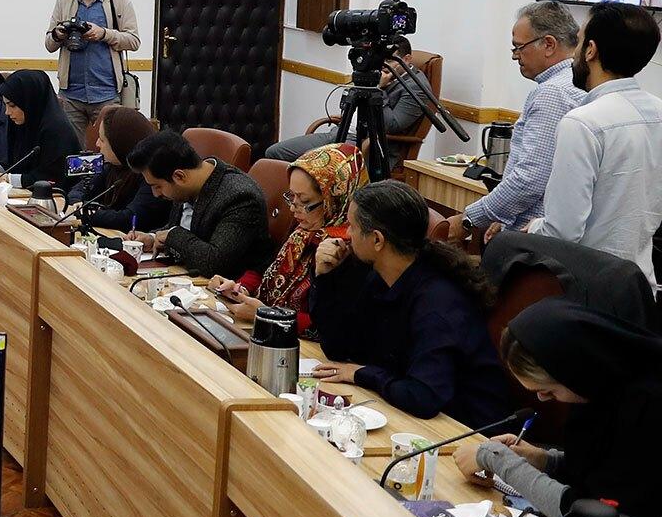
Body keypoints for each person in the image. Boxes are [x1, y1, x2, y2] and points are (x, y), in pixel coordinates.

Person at [453, 299, 662, 517]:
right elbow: (599, 469)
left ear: (575, 373)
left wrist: (496, 459)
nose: (542, 400)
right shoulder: (599, 389)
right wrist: (545, 460)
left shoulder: (648, 408)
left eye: (548, 391)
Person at [308, 181, 511, 422]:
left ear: (377, 240)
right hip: (408, 411)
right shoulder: (378, 274)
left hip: (462, 427)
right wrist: (326, 277)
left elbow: (424, 396)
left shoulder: (437, 304)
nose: (348, 235)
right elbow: (338, 348)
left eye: (352, 226)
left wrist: (362, 374)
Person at [532, 2, 662, 284]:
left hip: (586, 287)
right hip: (641, 287)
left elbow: (563, 232)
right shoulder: (659, 112)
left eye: (578, 42)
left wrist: (532, 228)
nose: (574, 54)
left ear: (590, 50)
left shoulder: (582, 123)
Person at [447, 2, 584, 241]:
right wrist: (504, 216)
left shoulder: (552, 93)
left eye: (519, 47)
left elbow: (530, 180)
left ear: (549, 44)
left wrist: (469, 220)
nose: (514, 56)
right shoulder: (577, 83)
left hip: (534, 240)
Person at [211, 143, 362, 332]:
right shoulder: (304, 230)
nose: (292, 208)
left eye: (304, 201)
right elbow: (265, 268)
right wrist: (239, 289)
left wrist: (267, 314)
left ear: (334, 199)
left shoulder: (348, 249)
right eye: (291, 196)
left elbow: (330, 325)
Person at [125, 131, 271, 278]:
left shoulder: (240, 197)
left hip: (225, 286)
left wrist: (172, 236)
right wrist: (153, 238)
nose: (156, 194)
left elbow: (214, 263)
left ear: (179, 176)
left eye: (157, 186)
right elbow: (182, 228)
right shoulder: (188, 186)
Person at [267, 37, 435, 164]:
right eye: (380, 59)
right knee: (275, 153)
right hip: (340, 132)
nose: (383, 65)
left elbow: (392, 125)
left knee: (313, 168)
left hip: (368, 143)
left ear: (406, 59)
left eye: (389, 60)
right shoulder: (376, 72)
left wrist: (378, 89)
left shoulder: (416, 87)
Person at [44, 0, 140, 146]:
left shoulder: (118, 1)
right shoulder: (63, 2)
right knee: (71, 151)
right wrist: (58, 34)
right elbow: (49, 44)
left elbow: (133, 41)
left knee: (110, 150)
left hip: (107, 92)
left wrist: (104, 33)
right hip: (71, 94)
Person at [67, 107, 176, 233]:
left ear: (119, 144)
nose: (97, 144)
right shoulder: (113, 165)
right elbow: (78, 191)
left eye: (102, 140)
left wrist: (86, 213)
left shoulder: (151, 174)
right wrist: (78, 204)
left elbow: (128, 219)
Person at [0, 70, 83, 192]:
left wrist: (3, 178)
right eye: (6, 105)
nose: (7, 112)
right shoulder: (23, 122)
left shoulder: (57, 130)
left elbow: (50, 180)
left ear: (30, 101)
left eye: (12, 105)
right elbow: (18, 166)